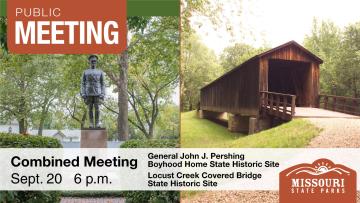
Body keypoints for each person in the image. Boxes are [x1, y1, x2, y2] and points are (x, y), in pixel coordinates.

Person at [80, 55, 105, 128]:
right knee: (90, 109)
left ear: (96, 62)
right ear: (89, 62)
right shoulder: (85, 72)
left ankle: (97, 123)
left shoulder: (100, 72)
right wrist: (83, 93)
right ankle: (91, 123)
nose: (93, 62)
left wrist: (103, 93)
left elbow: (103, 83)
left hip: (98, 93)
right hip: (88, 93)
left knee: (97, 109)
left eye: (95, 61)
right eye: (92, 61)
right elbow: (82, 83)